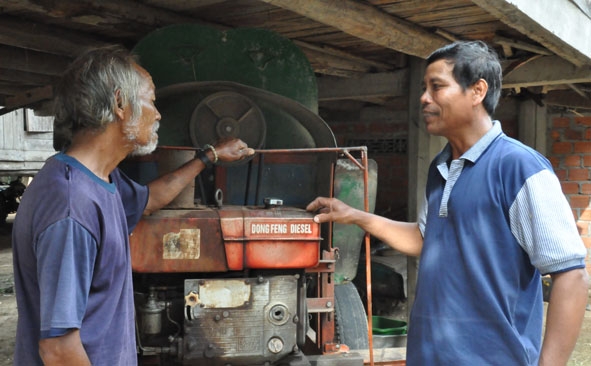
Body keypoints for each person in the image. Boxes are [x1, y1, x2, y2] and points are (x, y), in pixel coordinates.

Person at [307, 41, 589, 365]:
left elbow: (571, 276)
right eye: (424, 88)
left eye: (437, 87)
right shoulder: (440, 168)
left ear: (477, 91)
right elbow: (427, 240)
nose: (424, 98)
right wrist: (356, 216)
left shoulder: (520, 168)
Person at [12, 46, 254, 365]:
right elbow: (58, 349)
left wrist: (209, 156)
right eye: (150, 100)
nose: (158, 113)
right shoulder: (71, 205)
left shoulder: (103, 180)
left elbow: (151, 198)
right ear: (120, 104)